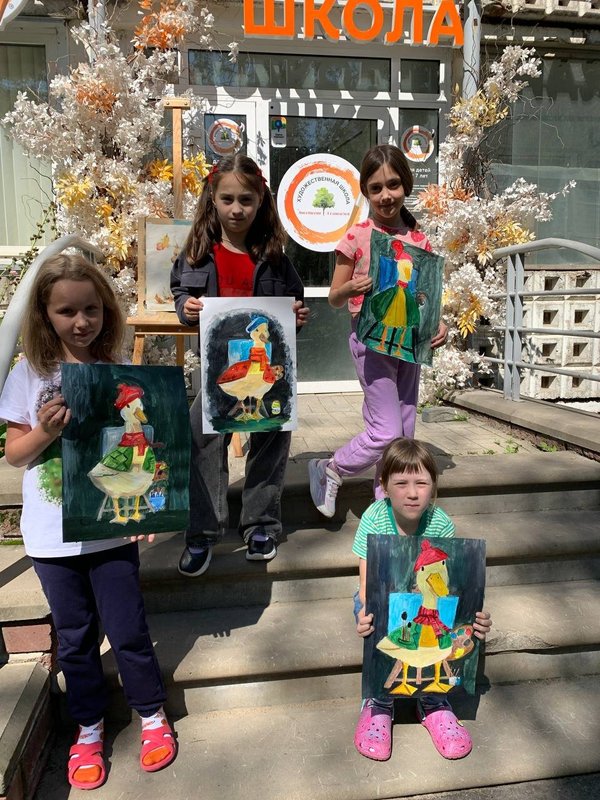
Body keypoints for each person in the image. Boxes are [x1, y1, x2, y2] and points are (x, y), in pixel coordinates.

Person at [0, 255, 176, 790]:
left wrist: (149, 504)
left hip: (109, 529)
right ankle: (89, 726)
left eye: (92, 309)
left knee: (128, 629)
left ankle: (151, 714)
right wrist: (46, 431)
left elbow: (147, 444)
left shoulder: (118, 369)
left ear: (106, 311)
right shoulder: (28, 373)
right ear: (44, 314)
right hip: (52, 538)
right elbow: (15, 454)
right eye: (67, 311)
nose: (81, 322)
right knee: (75, 638)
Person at [170, 154, 309, 576]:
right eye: (227, 199)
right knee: (201, 438)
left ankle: (261, 524)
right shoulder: (197, 254)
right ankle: (203, 531)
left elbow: (294, 304)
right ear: (212, 199)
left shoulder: (275, 257)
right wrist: (185, 307)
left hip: (265, 369)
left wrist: (296, 317)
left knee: (271, 436)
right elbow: (179, 292)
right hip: (220, 372)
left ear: (260, 201)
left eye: (246, 200)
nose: (236, 209)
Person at [308, 144, 448, 518]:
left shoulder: (419, 241)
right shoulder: (356, 236)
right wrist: (350, 288)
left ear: (407, 185)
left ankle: (385, 504)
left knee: (404, 431)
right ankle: (331, 468)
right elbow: (334, 297)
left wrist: (439, 324)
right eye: (376, 188)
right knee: (386, 431)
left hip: (409, 343)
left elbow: (425, 298)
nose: (386, 195)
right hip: (371, 343)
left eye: (393, 185)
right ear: (365, 192)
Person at [352, 438, 492, 761]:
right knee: (378, 617)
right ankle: (378, 699)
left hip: (430, 606)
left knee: (441, 636)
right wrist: (365, 615)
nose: (412, 493)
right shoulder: (374, 517)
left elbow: (453, 586)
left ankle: (433, 700)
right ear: (384, 485)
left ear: (434, 486)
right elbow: (366, 586)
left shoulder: (440, 523)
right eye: (401, 483)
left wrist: (474, 617)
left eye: (422, 483)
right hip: (382, 603)